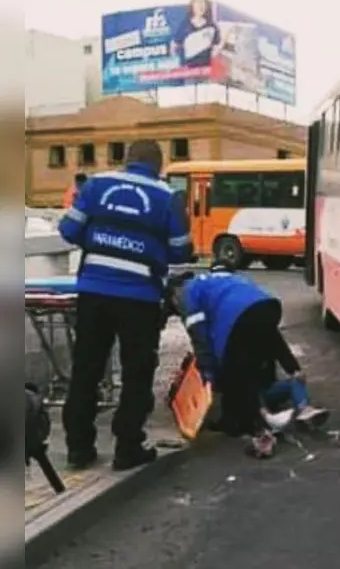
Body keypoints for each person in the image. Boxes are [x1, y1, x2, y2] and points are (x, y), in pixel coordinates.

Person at [58, 140, 193, 471]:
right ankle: (127, 448)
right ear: (158, 165)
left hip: (94, 292)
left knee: (86, 369)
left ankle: (79, 448)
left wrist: (102, 240)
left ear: (126, 161)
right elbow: (180, 250)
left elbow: (68, 230)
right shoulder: (168, 197)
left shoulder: (96, 185)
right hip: (140, 298)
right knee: (137, 373)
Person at [163, 263, 328, 458]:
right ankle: (295, 410)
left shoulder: (186, 295)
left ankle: (259, 430)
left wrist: (209, 377)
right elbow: (272, 335)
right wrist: (292, 367)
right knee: (247, 368)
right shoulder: (217, 282)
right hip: (268, 305)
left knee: (236, 377)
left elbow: (201, 339)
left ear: (173, 294)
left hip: (237, 323)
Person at [170, 0, 221, 70]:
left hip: (206, 72)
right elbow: (174, 45)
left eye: (203, 2)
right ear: (193, 5)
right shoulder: (185, 25)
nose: (200, 5)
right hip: (189, 72)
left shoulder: (212, 26)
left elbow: (217, 46)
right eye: (198, 2)